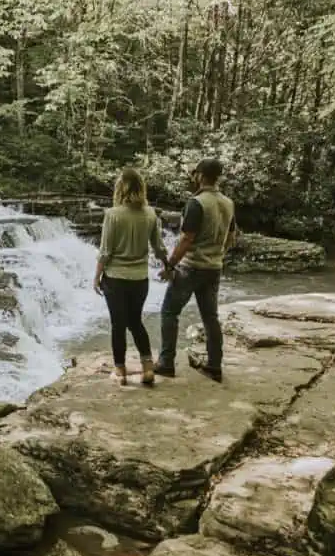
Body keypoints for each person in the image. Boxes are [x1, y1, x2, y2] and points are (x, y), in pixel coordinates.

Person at [155, 157, 236, 383]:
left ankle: (166, 362)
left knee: (169, 312)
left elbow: (186, 239)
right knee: (211, 317)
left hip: (190, 267)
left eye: (196, 174)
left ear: (200, 176)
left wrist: (170, 265)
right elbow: (231, 236)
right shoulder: (228, 203)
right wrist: (217, 254)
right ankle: (214, 366)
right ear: (218, 177)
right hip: (214, 268)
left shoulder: (196, 203)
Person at [93, 168, 169, 386]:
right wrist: (168, 267)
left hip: (115, 278)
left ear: (121, 188)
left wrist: (97, 276)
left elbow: (106, 251)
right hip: (140, 279)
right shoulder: (151, 214)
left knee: (118, 324)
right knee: (135, 321)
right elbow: (159, 248)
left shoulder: (112, 215)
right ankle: (147, 368)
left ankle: (120, 370)